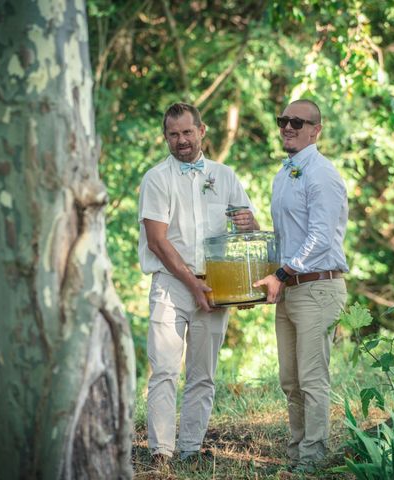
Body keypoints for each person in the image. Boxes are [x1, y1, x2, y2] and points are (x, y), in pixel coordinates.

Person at [138, 102, 259, 466]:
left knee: (202, 374)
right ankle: (161, 451)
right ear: (166, 138)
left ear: (202, 131)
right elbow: (158, 241)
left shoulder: (224, 176)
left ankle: (190, 449)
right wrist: (192, 284)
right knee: (163, 370)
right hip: (171, 286)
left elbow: (248, 231)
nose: (181, 141)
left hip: (216, 286)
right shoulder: (156, 178)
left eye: (187, 132)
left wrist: (247, 226)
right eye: (173, 134)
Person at [254, 99, 348, 473]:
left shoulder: (321, 174)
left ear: (316, 130)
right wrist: (254, 235)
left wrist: (281, 273)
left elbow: (322, 237)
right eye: (283, 120)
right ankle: (296, 453)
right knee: (289, 380)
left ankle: (314, 459)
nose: (288, 127)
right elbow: (288, 239)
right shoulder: (285, 173)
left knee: (312, 379)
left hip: (317, 288)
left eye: (297, 121)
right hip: (290, 287)